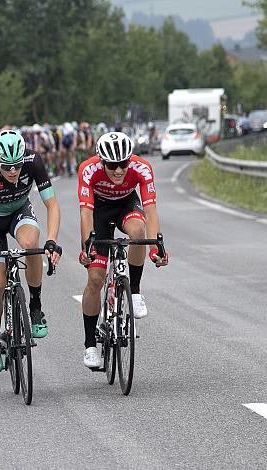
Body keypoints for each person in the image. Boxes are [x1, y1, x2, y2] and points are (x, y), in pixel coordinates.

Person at [0, 130, 62, 373]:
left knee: (31, 245)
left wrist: (51, 240)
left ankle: (35, 307)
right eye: (7, 167)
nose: (13, 171)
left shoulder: (33, 161)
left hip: (19, 212)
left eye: (16, 165)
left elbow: (52, 205)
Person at [77, 132, 168, 368]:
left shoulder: (142, 168)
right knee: (95, 279)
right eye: (111, 165)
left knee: (137, 231)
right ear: (101, 161)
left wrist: (157, 245)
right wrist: (87, 246)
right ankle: (89, 345)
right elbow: (86, 213)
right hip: (99, 211)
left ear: (130, 160)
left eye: (123, 164)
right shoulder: (88, 170)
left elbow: (150, 210)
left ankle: (135, 291)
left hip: (127, 204)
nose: (118, 170)